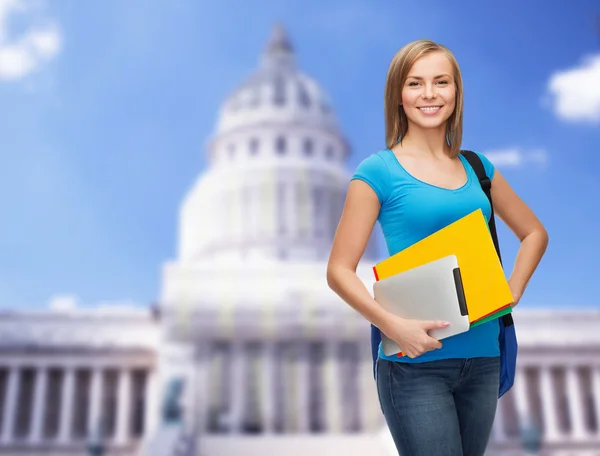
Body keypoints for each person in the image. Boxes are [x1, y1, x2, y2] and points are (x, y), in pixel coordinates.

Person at [326, 39, 549, 455]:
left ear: (456, 92)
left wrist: (511, 292)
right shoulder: (378, 171)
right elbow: (338, 269)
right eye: (416, 83)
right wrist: (393, 326)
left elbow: (534, 233)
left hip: (483, 358)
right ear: (398, 95)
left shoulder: (479, 167)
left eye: (441, 82)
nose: (429, 94)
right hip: (415, 365)